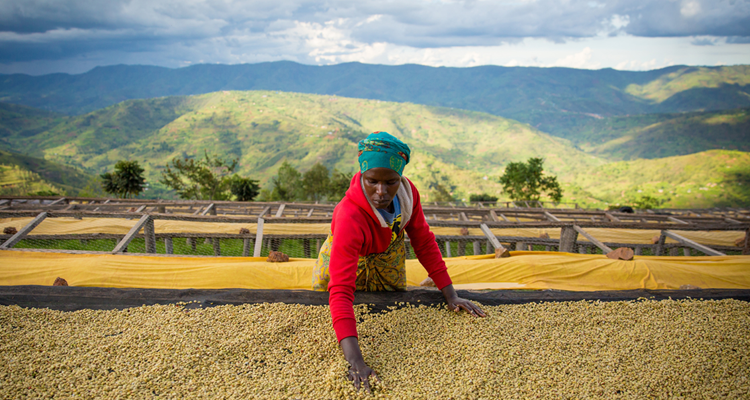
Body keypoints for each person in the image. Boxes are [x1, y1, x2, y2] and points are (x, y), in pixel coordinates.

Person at [312, 131, 486, 392]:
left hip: (387, 256)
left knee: (387, 303)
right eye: (372, 181)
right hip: (347, 259)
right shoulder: (349, 216)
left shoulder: (407, 195)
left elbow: (423, 241)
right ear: (362, 175)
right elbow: (341, 289)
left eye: (390, 182)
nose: (381, 192)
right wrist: (356, 361)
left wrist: (450, 294)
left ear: (400, 178)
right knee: (327, 302)